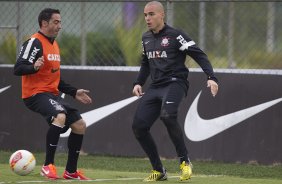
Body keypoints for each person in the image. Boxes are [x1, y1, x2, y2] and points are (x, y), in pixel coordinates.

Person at [132, 1, 219, 182]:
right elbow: (146, 63)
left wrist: (211, 77)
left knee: (168, 115)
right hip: (155, 87)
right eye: (145, 15)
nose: (147, 18)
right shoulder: (145, 38)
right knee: (139, 127)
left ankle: (185, 162)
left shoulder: (175, 35)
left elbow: (199, 54)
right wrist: (139, 82)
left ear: (162, 15)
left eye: (151, 14)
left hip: (175, 83)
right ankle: (159, 170)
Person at [14, 8, 92, 180]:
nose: (60, 26)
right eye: (56, 22)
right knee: (60, 115)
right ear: (44, 23)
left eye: (60, 22)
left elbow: (55, 78)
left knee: (80, 125)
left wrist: (74, 92)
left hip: (51, 94)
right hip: (34, 94)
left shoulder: (54, 44)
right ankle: (47, 166)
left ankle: (71, 171)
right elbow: (18, 68)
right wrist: (33, 67)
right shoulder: (34, 42)